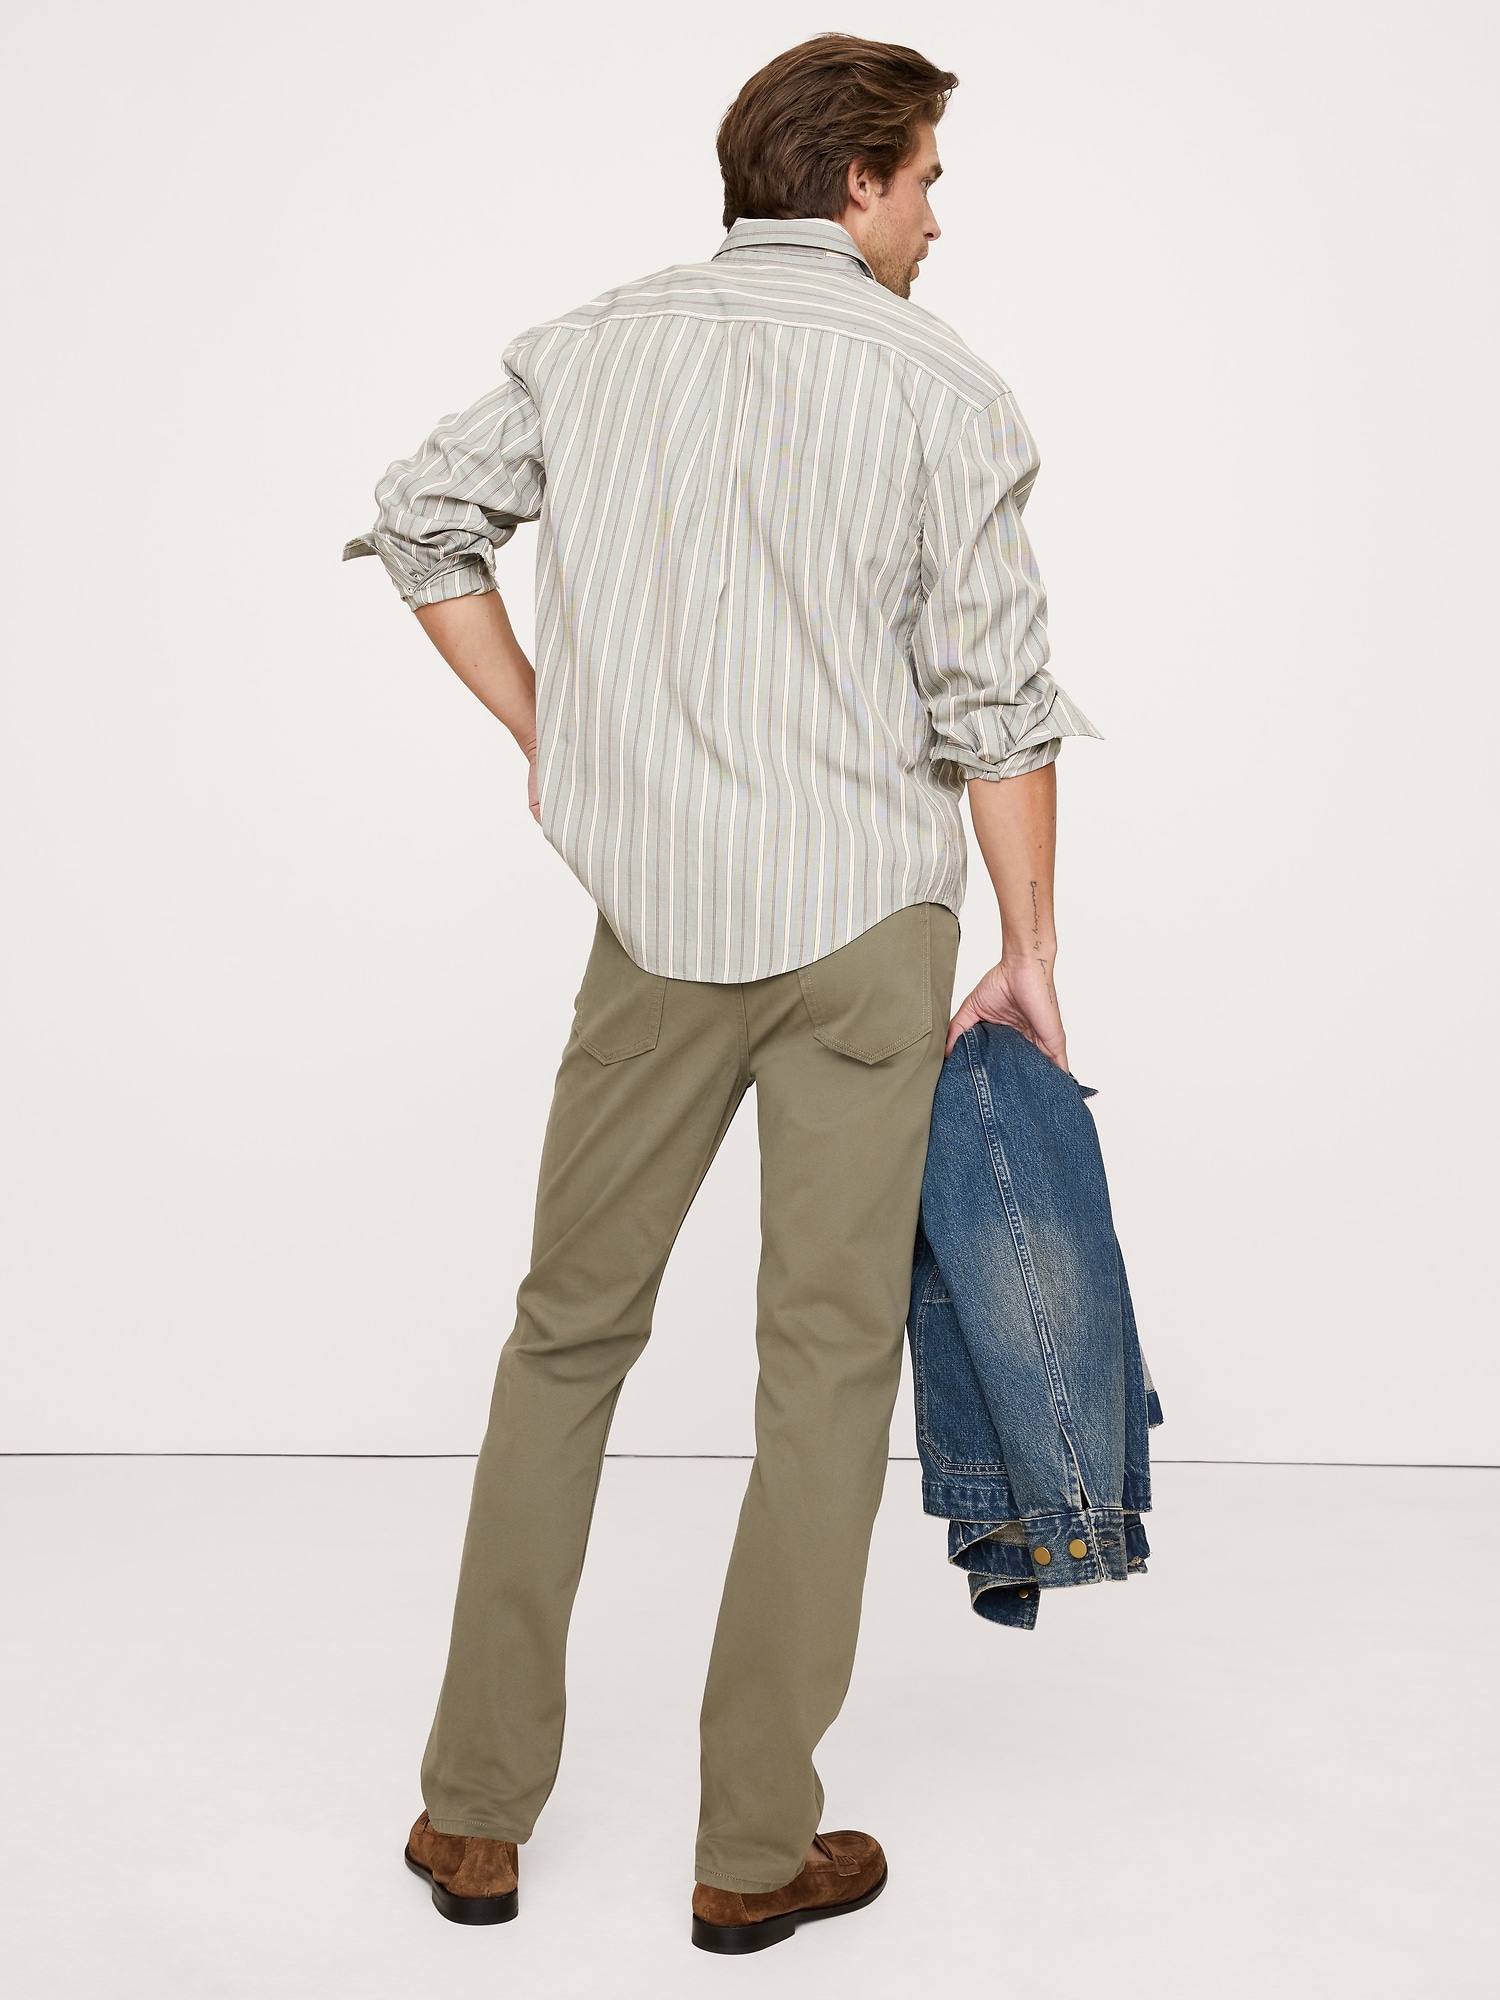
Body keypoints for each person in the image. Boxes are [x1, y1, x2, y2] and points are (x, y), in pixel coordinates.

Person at [346, 31, 1096, 1954]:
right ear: (855, 182)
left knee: (563, 1342)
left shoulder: (595, 345)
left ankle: (470, 1817)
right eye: (926, 180)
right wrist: (1028, 948)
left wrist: (556, 737)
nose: (936, 221)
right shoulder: (941, 386)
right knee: (826, 1373)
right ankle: (755, 1851)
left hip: (653, 931)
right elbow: (996, 703)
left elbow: (424, 523)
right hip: (864, 935)